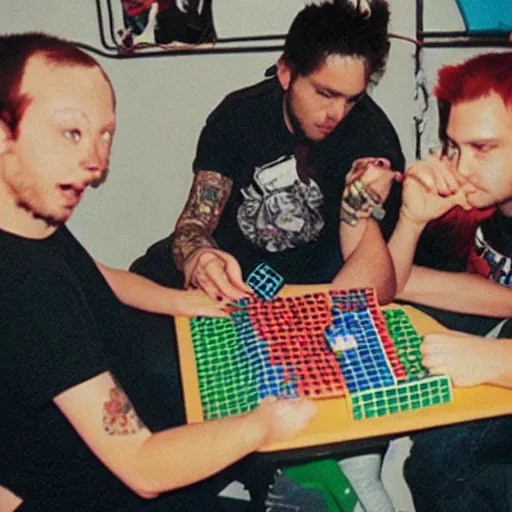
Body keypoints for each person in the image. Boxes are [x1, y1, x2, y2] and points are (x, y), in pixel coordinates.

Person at [0, 32, 318, 511]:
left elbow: (96, 275)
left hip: (128, 440)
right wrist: (262, 425)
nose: (96, 162)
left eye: (105, 135)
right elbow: (143, 467)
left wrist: (179, 301)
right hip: (112, 489)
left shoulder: (30, 224)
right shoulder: (25, 292)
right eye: (72, 132)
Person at [130, 1, 405, 510]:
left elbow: (375, 289)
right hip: (222, 282)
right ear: (286, 73)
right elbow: (192, 225)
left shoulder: (371, 138)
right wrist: (198, 257)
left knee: (319, 416)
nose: (335, 114)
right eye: (323, 93)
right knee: (145, 367)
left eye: (351, 98)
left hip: (304, 295)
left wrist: (357, 207)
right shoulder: (239, 115)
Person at [383, 51, 512, 511]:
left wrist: (496, 361)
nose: (460, 166)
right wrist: (411, 221)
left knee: (441, 461)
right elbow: (389, 288)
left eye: (482, 148)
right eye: (454, 147)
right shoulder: (488, 210)